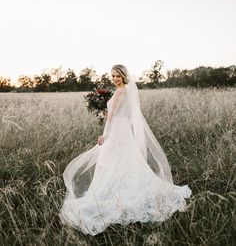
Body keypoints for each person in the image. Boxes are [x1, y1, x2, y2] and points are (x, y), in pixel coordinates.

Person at [59, 64, 192, 235]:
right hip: (124, 132)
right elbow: (129, 116)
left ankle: (113, 192)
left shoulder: (121, 92)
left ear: (123, 77)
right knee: (124, 161)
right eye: (113, 76)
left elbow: (112, 117)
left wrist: (104, 136)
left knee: (111, 161)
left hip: (115, 132)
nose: (115, 79)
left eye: (117, 76)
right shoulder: (129, 92)